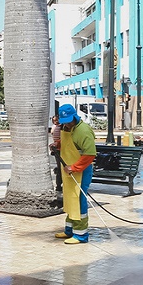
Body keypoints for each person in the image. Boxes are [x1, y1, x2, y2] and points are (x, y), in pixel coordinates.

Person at [55, 104, 97, 244]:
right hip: (69, 171)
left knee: (79, 200)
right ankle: (70, 230)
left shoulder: (83, 131)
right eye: (64, 121)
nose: (66, 124)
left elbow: (90, 154)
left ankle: (81, 235)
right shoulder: (69, 128)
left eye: (68, 120)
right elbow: (70, 144)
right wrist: (58, 145)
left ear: (75, 116)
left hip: (81, 171)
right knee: (70, 200)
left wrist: (75, 167)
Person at [49, 115, 62, 192]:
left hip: (57, 149)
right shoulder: (58, 127)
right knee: (60, 169)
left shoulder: (56, 127)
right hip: (59, 149)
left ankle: (58, 185)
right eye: (54, 121)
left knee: (60, 168)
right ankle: (59, 185)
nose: (56, 122)